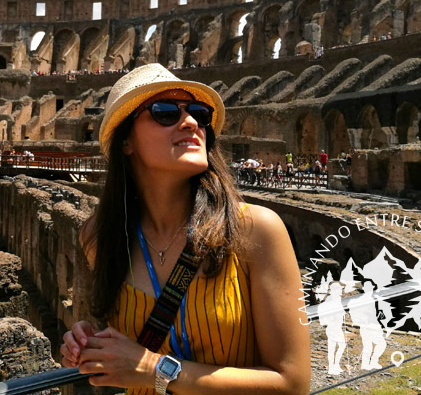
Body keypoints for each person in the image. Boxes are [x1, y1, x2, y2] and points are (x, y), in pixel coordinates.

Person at [59, 64, 309, 394]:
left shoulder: (256, 230)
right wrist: (86, 342)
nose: (190, 122)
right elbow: (125, 347)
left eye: (199, 113)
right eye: (165, 112)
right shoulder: (99, 236)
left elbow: (292, 383)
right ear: (126, 142)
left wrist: (154, 369)